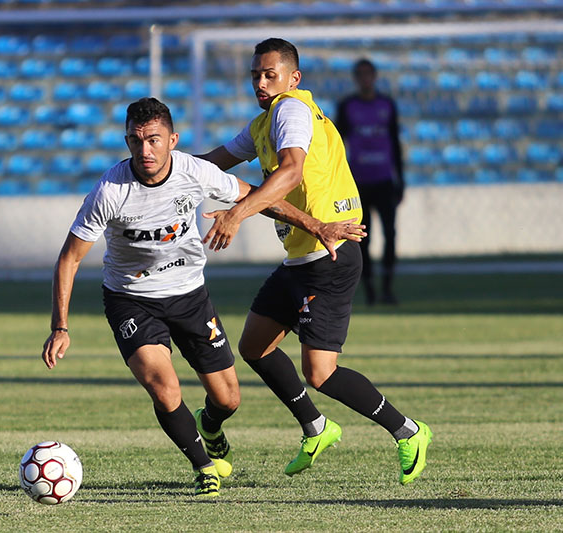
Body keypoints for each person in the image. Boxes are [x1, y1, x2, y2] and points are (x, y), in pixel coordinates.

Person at [42, 97, 364, 497]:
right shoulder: (110, 191)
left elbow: (259, 197)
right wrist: (60, 326)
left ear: (172, 140)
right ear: (126, 142)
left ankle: (210, 427)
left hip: (190, 296)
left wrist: (315, 225)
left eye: (154, 140)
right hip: (131, 299)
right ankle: (204, 467)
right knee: (164, 387)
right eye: (136, 141)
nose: (145, 150)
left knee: (228, 399)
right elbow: (69, 258)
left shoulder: (195, 172)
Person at [197, 38, 432, 485]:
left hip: (331, 254)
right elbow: (213, 163)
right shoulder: (263, 122)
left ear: (293, 77)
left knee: (320, 372)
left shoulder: (291, 111)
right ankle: (317, 427)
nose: (261, 83)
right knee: (254, 346)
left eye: (270, 74)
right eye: (255, 75)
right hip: (301, 258)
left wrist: (236, 213)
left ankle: (409, 431)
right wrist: (161, 170)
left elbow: (291, 172)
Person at [336, 58, 405, 305]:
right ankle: (369, 291)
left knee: (391, 234)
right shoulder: (347, 107)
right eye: (361, 74)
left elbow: (395, 143)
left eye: (369, 74)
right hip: (359, 184)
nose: (365, 79)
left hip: (384, 181)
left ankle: (387, 288)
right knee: (362, 238)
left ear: (374, 77)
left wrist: (401, 180)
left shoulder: (387, 105)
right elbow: (337, 145)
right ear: (356, 78)